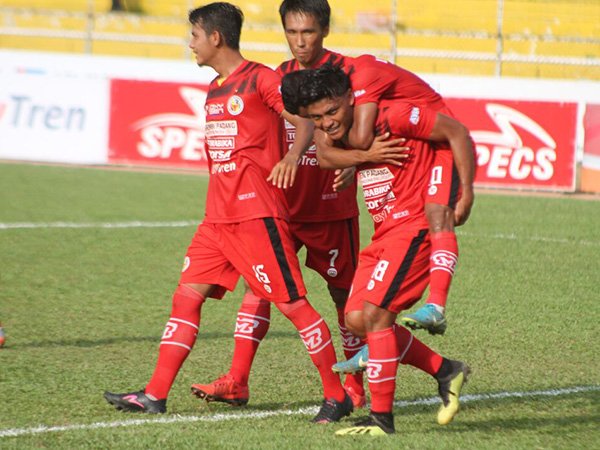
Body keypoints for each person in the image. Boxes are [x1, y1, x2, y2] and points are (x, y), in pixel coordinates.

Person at [103, 2, 354, 424]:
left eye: (194, 36)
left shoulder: (262, 78)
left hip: (255, 216)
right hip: (216, 221)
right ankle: (153, 395)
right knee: (185, 297)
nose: (191, 44)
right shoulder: (215, 89)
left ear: (215, 37)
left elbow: (306, 120)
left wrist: (292, 155)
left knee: (295, 307)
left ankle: (336, 395)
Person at [189, 0, 407, 410]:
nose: (299, 42)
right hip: (283, 209)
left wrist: (354, 167)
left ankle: (354, 383)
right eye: (291, 32)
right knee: (259, 292)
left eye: (307, 32)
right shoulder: (277, 78)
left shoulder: (347, 78)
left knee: (346, 300)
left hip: (330, 209)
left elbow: (367, 134)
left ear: (323, 29)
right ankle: (236, 378)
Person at [282, 65, 471, 435]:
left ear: (353, 99)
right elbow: (324, 155)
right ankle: (446, 369)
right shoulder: (336, 135)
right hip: (383, 231)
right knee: (355, 319)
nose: (326, 123)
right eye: (317, 117)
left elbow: (455, 131)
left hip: (411, 224)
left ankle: (382, 419)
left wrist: (465, 191)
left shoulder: (394, 116)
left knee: (376, 315)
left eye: (332, 112)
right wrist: (362, 159)